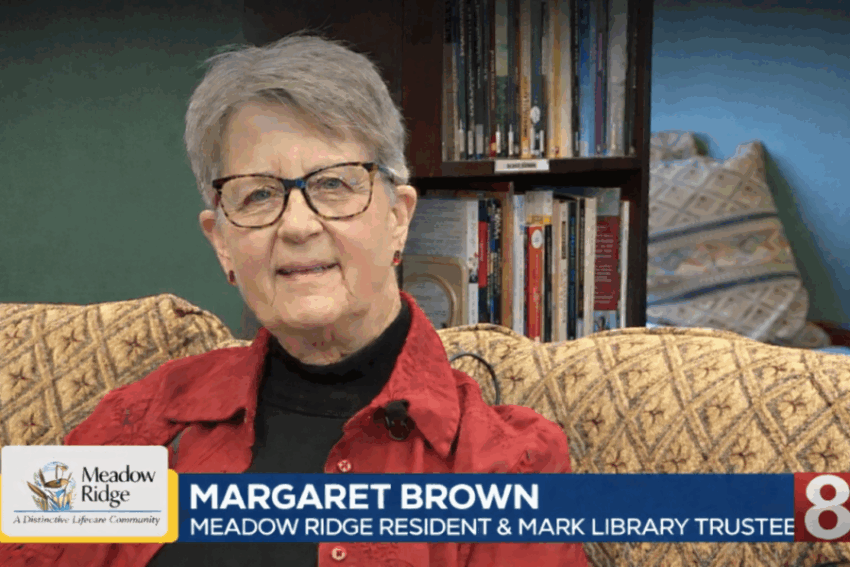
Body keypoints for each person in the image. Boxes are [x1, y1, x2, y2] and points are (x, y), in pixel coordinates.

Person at [0, 33, 589, 567]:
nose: (298, 224)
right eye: (258, 195)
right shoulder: (147, 418)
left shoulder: (502, 464)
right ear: (222, 242)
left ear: (398, 219)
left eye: (334, 184)